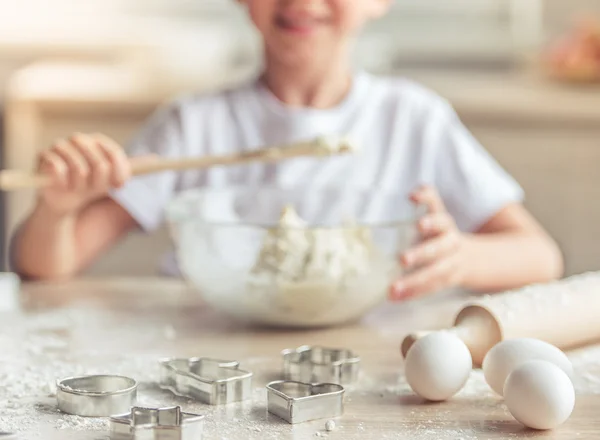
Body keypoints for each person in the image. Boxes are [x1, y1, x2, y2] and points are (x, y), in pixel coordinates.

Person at [11, 0, 563, 300]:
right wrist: (57, 210)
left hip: (374, 370)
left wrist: (461, 256)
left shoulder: (415, 119)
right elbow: (43, 269)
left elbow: (541, 257)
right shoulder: (192, 126)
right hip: (204, 361)